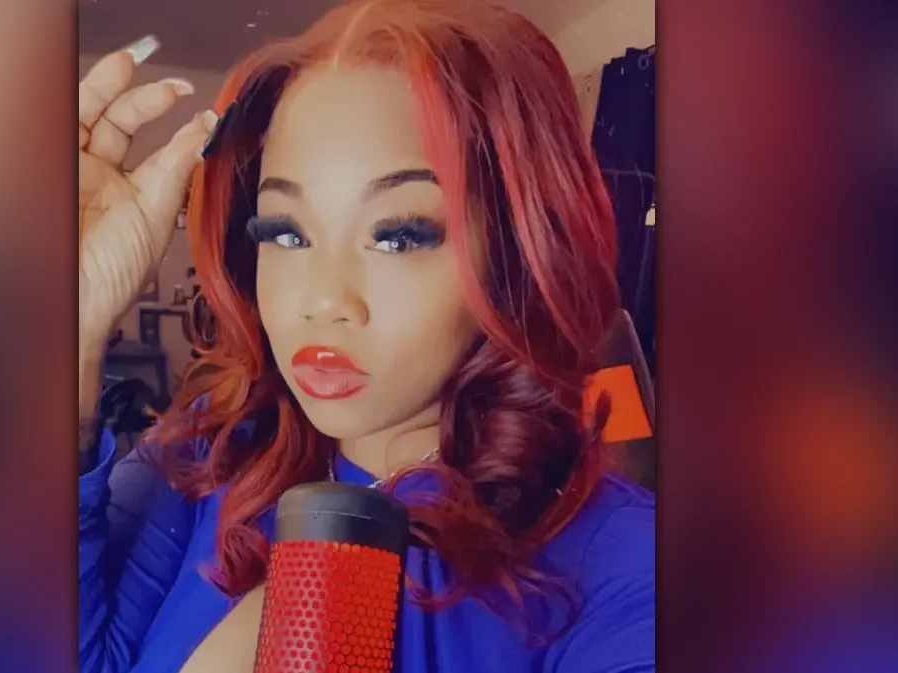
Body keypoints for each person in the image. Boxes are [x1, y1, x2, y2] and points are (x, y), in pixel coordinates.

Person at [77, 1, 655, 671]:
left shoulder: (626, 565)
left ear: (518, 251)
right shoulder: (211, 452)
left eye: (398, 235)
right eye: (286, 233)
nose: (323, 299)